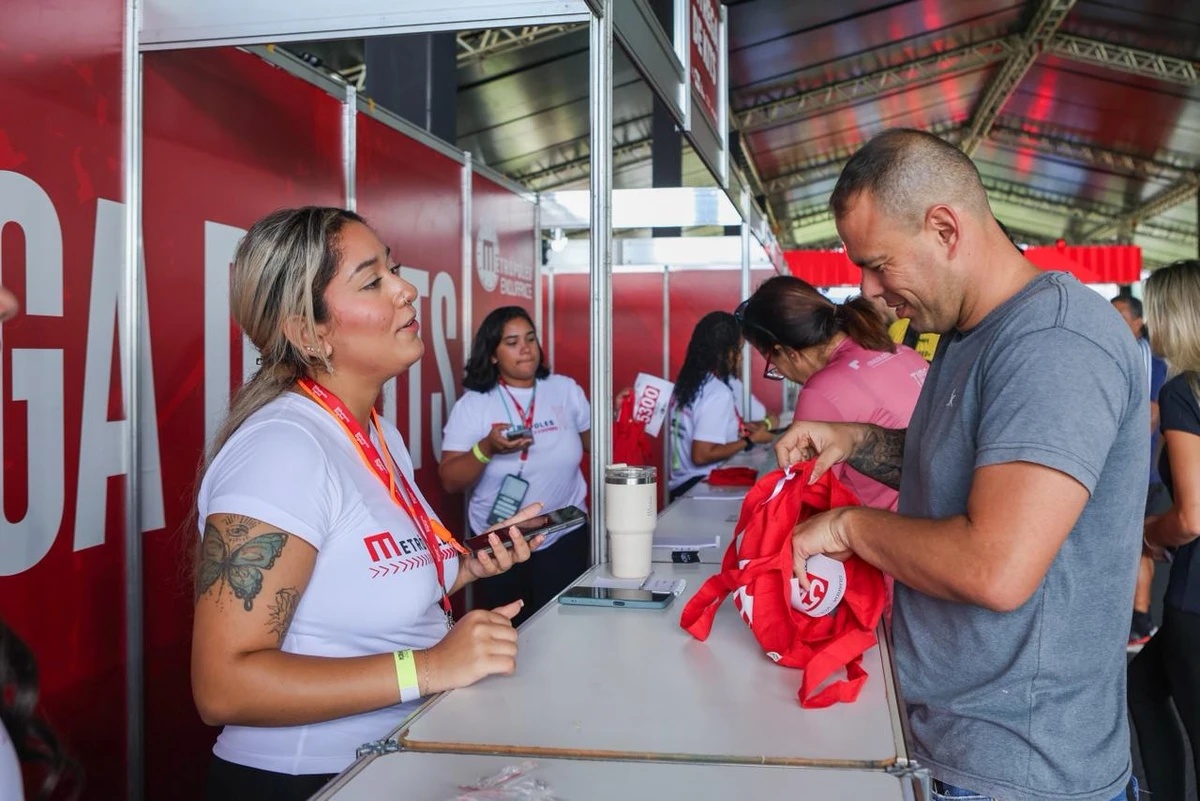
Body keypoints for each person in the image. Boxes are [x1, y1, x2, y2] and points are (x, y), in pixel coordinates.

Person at [776, 129, 1145, 801]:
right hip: (951, 740)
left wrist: (849, 527)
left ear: (945, 228)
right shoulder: (966, 334)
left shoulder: (1053, 342)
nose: (871, 290)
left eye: (880, 263)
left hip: (1018, 768)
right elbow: (954, 474)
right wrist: (855, 438)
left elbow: (995, 565)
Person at [192, 207, 544, 801]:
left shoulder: (378, 434)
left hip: (386, 763)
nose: (407, 291)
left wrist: (467, 565)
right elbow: (222, 685)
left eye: (395, 270)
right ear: (310, 330)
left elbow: (362, 587)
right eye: (373, 279)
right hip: (305, 779)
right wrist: (430, 666)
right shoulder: (283, 448)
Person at [439, 306, 590, 625]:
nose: (525, 348)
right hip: (502, 543)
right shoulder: (476, 404)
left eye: (530, 338)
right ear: (492, 354)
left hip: (565, 533)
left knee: (569, 629)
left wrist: (619, 415)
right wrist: (487, 448)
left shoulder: (565, 390)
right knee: (514, 633)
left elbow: (595, 445)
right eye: (512, 341)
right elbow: (450, 479)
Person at [735, 275, 927, 511]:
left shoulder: (822, 389)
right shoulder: (903, 352)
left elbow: (798, 501)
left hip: (889, 535)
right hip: (937, 521)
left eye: (774, 365)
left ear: (786, 352)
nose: (783, 373)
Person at [1128, 259, 1200, 800]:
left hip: (1194, 599)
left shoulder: (1184, 393)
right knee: (1141, 684)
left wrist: (1150, 533)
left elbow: (1192, 517)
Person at [1111, 293, 1170, 648]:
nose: (1114, 322)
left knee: (1136, 547)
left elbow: (1148, 414)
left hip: (1141, 474)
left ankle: (1141, 621)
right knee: (1133, 546)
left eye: (1121, 316)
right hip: (1133, 472)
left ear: (1138, 323)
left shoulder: (1147, 357)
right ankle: (1138, 621)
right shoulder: (1122, 353)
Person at [667, 312, 774, 501]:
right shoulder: (717, 392)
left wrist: (737, 432)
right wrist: (750, 440)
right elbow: (701, 455)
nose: (740, 358)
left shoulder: (689, 383)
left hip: (679, 486)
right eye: (738, 350)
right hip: (699, 487)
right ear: (725, 352)